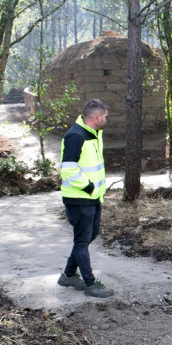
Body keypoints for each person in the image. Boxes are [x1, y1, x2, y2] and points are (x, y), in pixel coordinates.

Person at [56, 99, 114, 298]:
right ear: (98, 116)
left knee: (90, 235)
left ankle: (68, 275)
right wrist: (89, 187)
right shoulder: (75, 136)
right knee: (82, 241)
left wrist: (96, 191)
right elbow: (68, 170)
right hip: (80, 198)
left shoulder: (93, 134)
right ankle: (90, 283)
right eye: (105, 116)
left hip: (91, 197)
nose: (106, 119)